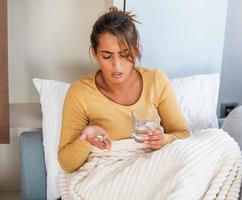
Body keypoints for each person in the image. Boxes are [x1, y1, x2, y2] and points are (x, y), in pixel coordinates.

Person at [58, 7, 190, 173]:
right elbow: (66, 163)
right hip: (109, 174)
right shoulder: (80, 93)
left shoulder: (156, 80)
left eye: (125, 54)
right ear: (94, 53)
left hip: (154, 168)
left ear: (137, 49)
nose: (117, 66)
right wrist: (86, 139)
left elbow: (183, 134)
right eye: (107, 56)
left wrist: (163, 140)